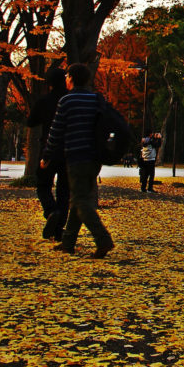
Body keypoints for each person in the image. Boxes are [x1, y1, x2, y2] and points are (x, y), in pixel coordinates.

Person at [45, 63, 114, 259]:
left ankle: (103, 239)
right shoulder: (95, 99)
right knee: (78, 199)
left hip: (76, 155)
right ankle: (68, 243)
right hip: (95, 157)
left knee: (79, 200)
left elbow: (56, 131)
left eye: (67, 76)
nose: (65, 79)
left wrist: (47, 155)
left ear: (72, 78)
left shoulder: (67, 101)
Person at [28, 67, 69, 241]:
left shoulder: (45, 101)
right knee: (64, 190)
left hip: (49, 149)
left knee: (43, 184)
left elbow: (31, 122)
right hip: (68, 150)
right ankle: (59, 228)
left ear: (49, 82)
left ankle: (51, 211)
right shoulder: (69, 100)